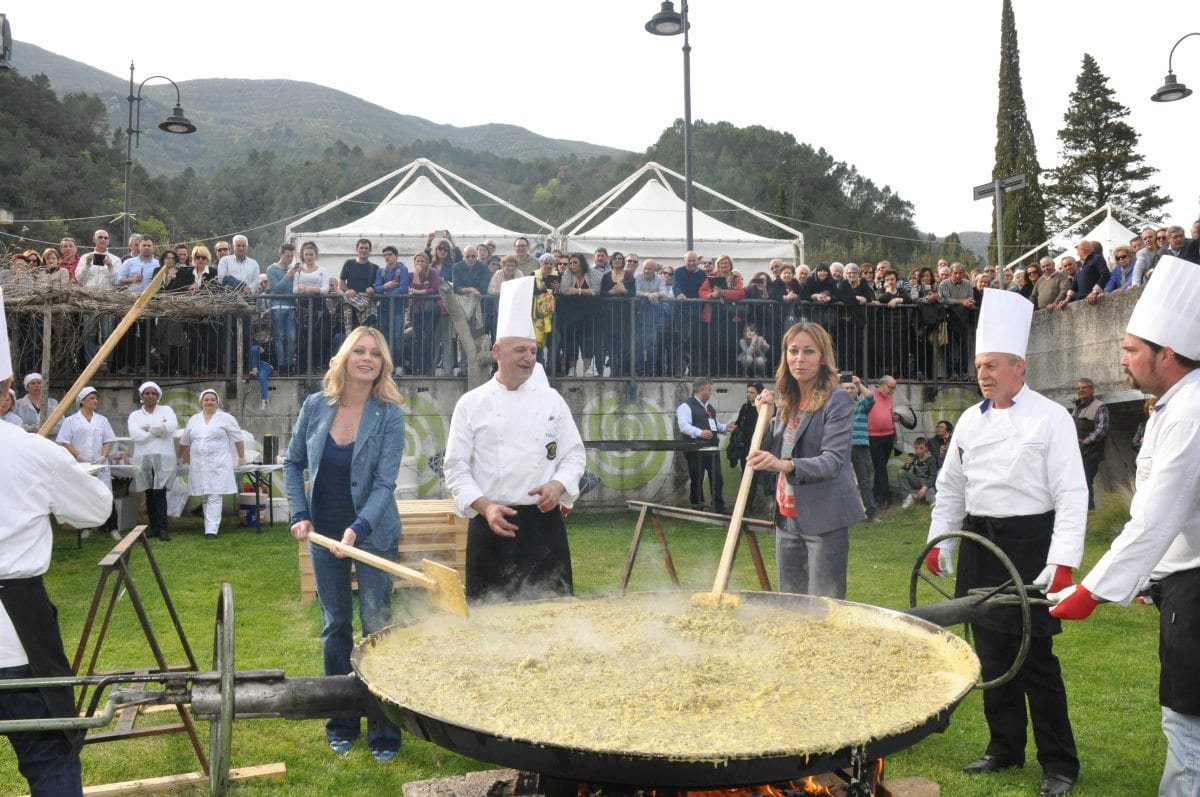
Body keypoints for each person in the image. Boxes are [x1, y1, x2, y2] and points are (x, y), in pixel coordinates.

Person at [923, 288, 1085, 797]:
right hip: (980, 542)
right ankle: (1004, 748)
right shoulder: (970, 421)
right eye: (979, 366)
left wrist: (1062, 562)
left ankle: (1059, 763)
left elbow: (1072, 494)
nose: (984, 375)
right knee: (991, 654)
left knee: (1036, 658)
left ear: (1019, 365)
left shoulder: (1051, 418)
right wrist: (940, 542)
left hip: (1030, 543)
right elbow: (951, 487)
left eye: (993, 365)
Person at [1048, 255, 1200, 796]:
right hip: (1180, 580)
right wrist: (1147, 577)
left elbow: (1158, 517)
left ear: (1167, 354)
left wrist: (1094, 590)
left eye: (1132, 349)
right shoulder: (1172, 404)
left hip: (1198, 591)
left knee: (1188, 730)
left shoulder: (1190, 411)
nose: (1124, 358)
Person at [0, 290, 113, 797]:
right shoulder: (29, 451)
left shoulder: (30, 450)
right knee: (50, 756)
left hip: (16, 622)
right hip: (15, 633)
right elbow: (95, 509)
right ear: (7, 393)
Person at [284, 326, 406, 762]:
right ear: (345, 357)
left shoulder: (390, 413)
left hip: (371, 533)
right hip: (323, 533)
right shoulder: (317, 406)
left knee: (377, 625)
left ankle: (384, 728)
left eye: (376, 353)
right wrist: (299, 513)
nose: (367, 358)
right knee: (335, 625)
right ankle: (341, 720)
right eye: (360, 351)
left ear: (382, 363)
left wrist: (358, 528)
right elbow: (293, 461)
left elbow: (385, 482)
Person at [444, 277, 586, 602]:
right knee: (490, 622)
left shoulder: (551, 400)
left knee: (553, 617)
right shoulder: (472, 404)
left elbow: (574, 456)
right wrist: (486, 507)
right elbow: (455, 468)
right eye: (520, 349)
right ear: (497, 352)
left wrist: (558, 485)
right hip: (490, 524)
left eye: (533, 350)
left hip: (544, 526)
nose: (528, 357)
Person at [747, 321, 865, 598]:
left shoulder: (837, 401)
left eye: (809, 351)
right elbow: (768, 452)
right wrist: (763, 416)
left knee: (823, 605)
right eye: (793, 350)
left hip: (824, 517)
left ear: (823, 357)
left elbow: (833, 461)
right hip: (786, 516)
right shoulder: (787, 400)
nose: (799, 359)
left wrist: (786, 465)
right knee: (790, 602)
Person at [179, 389, 245, 539]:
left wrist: (241, 457)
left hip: (218, 463)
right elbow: (184, 440)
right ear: (201, 402)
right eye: (206, 400)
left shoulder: (226, 418)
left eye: (212, 400)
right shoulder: (194, 419)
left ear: (217, 402)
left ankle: (211, 530)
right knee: (205, 495)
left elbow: (238, 438)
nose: (209, 402)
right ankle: (209, 525)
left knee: (215, 494)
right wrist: (179, 458)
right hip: (199, 463)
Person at [56, 386, 119, 541]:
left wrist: (103, 456)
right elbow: (64, 441)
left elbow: (108, 440)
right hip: (81, 465)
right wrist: (78, 455)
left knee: (106, 495)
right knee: (85, 495)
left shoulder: (102, 420)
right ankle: (87, 527)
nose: (95, 401)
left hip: (100, 465)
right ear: (82, 401)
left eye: (96, 398)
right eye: (91, 398)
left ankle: (112, 528)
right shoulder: (71, 421)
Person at [127, 382, 178, 541]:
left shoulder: (167, 410)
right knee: (149, 492)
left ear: (158, 395)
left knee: (160, 492)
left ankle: (163, 528)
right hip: (144, 457)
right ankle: (153, 527)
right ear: (141, 396)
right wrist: (157, 431)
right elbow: (135, 436)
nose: (150, 396)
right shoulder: (135, 415)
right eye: (147, 393)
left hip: (163, 456)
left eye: (153, 393)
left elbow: (171, 427)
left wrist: (147, 429)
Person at [677, 378, 736, 512]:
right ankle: (697, 506)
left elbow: (713, 425)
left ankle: (718, 506)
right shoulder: (685, 406)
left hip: (712, 449)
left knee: (717, 478)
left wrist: (725, 427)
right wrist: (699, 433)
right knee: (697, 479)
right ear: (701, 390)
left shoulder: (709, 407)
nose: (711, 393)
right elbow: (683, 426)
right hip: (695, 450)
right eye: (709, 390)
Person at [726, 382, 767, 513]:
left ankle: (751, 506)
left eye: (752, 393)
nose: (749, 395)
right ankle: (746, 507)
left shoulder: (765, 407)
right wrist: (734, 427)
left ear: (759, 394)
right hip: (745, 448)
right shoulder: (745, 407)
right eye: (748, 392)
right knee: (746, 476)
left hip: (760, 447)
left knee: (757, 478)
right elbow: (739, 423)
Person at [843, 375, 877, 522]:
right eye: (846, 388)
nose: (850, 390)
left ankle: (871, 514)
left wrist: (859, 383)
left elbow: (871, 398)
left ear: (857, 390)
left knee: (864, 481)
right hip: (842, 447)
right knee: (840, 482)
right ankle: (844, 515)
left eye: (852, 388)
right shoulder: (835, 405)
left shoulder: (862, 404)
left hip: (860, 447)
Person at [1071, 377, 1108, 510]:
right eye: (1079, 388)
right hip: (1078, 452)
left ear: (1092, 390)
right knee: (1078, 484)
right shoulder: (1077, 407)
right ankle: (1081, 512)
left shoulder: (1099, 406)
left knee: (1086, 482)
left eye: (1084, 388)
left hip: (1091, 453)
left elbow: (1102, 428)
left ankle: (1090, 513)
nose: (1081, 390)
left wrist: (1088, 439)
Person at [866, 375, 898, 511]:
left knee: (881, 467)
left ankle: (876, 494)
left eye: (894, 388)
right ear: (882, 384)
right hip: (874, 436)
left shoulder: (889, 398)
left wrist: (895, 417)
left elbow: (889, 414)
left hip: (888, 435)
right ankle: (886, 498)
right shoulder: (869, 394)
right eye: (891, 387)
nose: (892, 391)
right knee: (880, 467)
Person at [898, 436, 938, 508]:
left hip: (927, 482)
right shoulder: (915, 457)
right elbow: (905, 470)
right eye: (916, 448)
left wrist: (925, 487)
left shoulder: (931, 459)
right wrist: (907, 465)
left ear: (926, 448)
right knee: (901, 472)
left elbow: (933, 476)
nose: (918, 450)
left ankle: (932, 501)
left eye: (921, 448)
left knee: (926, 482)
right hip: (917, 481)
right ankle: (907, 498)